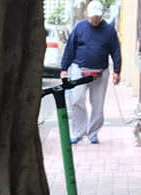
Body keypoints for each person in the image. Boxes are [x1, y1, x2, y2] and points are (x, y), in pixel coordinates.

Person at [59, 1, 121, 145]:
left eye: (97, 17)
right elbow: (70, 49)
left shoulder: (109, 30)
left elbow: (116, 51)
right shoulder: (79, 27)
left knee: (97, 104)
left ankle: (93, 133)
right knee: (76, 100)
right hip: (79, 69)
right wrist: (64, 69)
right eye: (93, 17)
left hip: (100, 72)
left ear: (102, 15)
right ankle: (78, 132)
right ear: (87, 14)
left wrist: (117, 71)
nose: (95, 19)